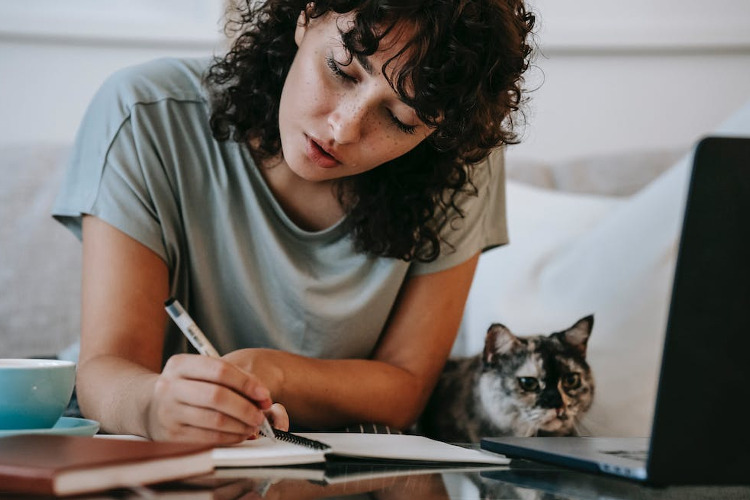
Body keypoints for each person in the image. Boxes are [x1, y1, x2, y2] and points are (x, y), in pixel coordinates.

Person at [52, 0, 535, 444]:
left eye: (401, 119)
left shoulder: (458, 167)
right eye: (341, 70)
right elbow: (106, 370)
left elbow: (406, 387)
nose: (343, 128)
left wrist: (270, 372)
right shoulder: (145, 115)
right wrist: (155, 406)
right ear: (307, 15)